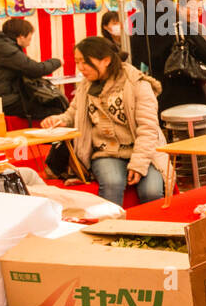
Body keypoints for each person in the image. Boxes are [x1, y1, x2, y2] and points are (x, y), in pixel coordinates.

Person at [42, 37, 170, 205]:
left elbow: (148, 129)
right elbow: (73, 113)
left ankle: (154, 230)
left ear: (106, 60)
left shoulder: (137, 84)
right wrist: (58, 120)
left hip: (145, 151)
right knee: (112, 183)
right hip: (105, 152)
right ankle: (109, 227)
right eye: (77, 62)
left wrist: (138, 164)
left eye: (85, 62)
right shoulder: (86, 86)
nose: (80, 68)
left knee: (151, 191)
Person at [129, 0, 206, 113]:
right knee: (193, 126)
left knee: (166, 125)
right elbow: (204, 50)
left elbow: (135, 60)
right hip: (185, 86)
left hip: (156, 90)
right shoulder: (176, 24)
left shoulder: (138, 29)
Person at [0, 18, 63, 119]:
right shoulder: (4, 48)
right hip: (7, 102)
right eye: (29, 38)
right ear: (21, 37)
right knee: (57, 110)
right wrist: (57, 61)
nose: (29, 43)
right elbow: (35, 69)